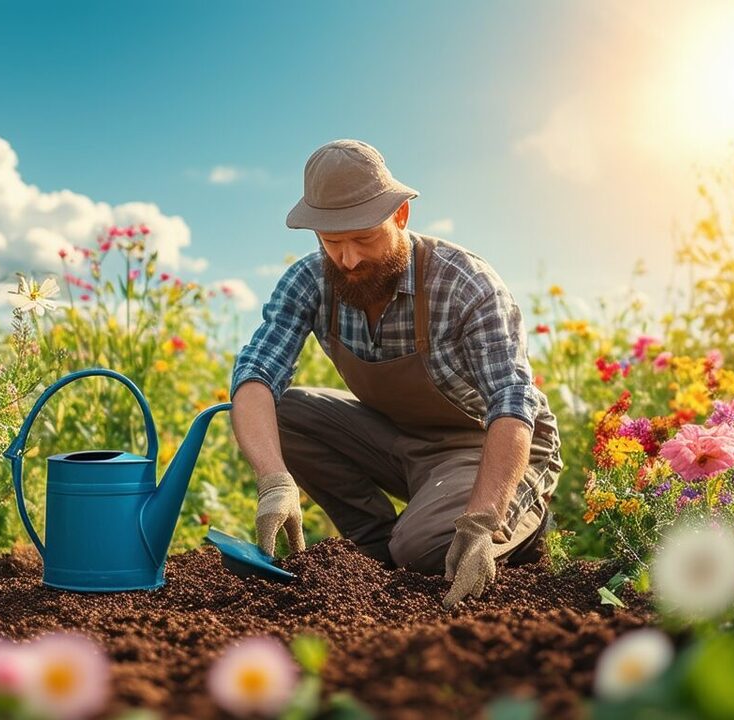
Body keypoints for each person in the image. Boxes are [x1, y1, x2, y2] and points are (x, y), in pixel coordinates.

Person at [229, 139, 562, 608]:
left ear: (401, 216)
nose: (348, 259)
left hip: (486, 444)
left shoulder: (464, 284)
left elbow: (512, 400)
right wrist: (274, 479)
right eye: (331, 241)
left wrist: (484, 520)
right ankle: (374, 553)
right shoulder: (310, 280)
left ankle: (521, 526)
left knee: (424, 547)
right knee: (284, 411)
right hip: (397, 440)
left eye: (363, 238)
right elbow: (256, 374)